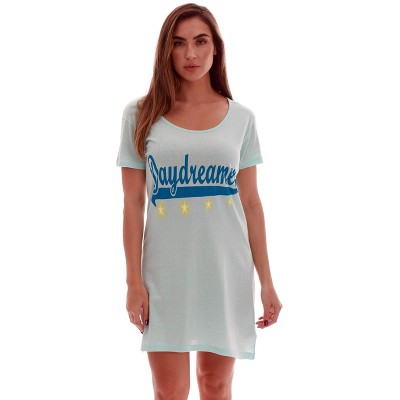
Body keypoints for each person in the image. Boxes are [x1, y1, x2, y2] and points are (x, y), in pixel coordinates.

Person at [116, 3, 282, 399]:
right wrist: (133, 281)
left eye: (200, 41)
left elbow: (252, 203)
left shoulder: (241, 119)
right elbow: (133, 203)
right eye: (179, 43)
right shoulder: (140, 114)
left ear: (216, 48)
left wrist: (267, 282)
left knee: (215, 384)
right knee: (169, 390)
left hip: (225, 271)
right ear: (166, 50)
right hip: (164, 274)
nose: (190, 54)